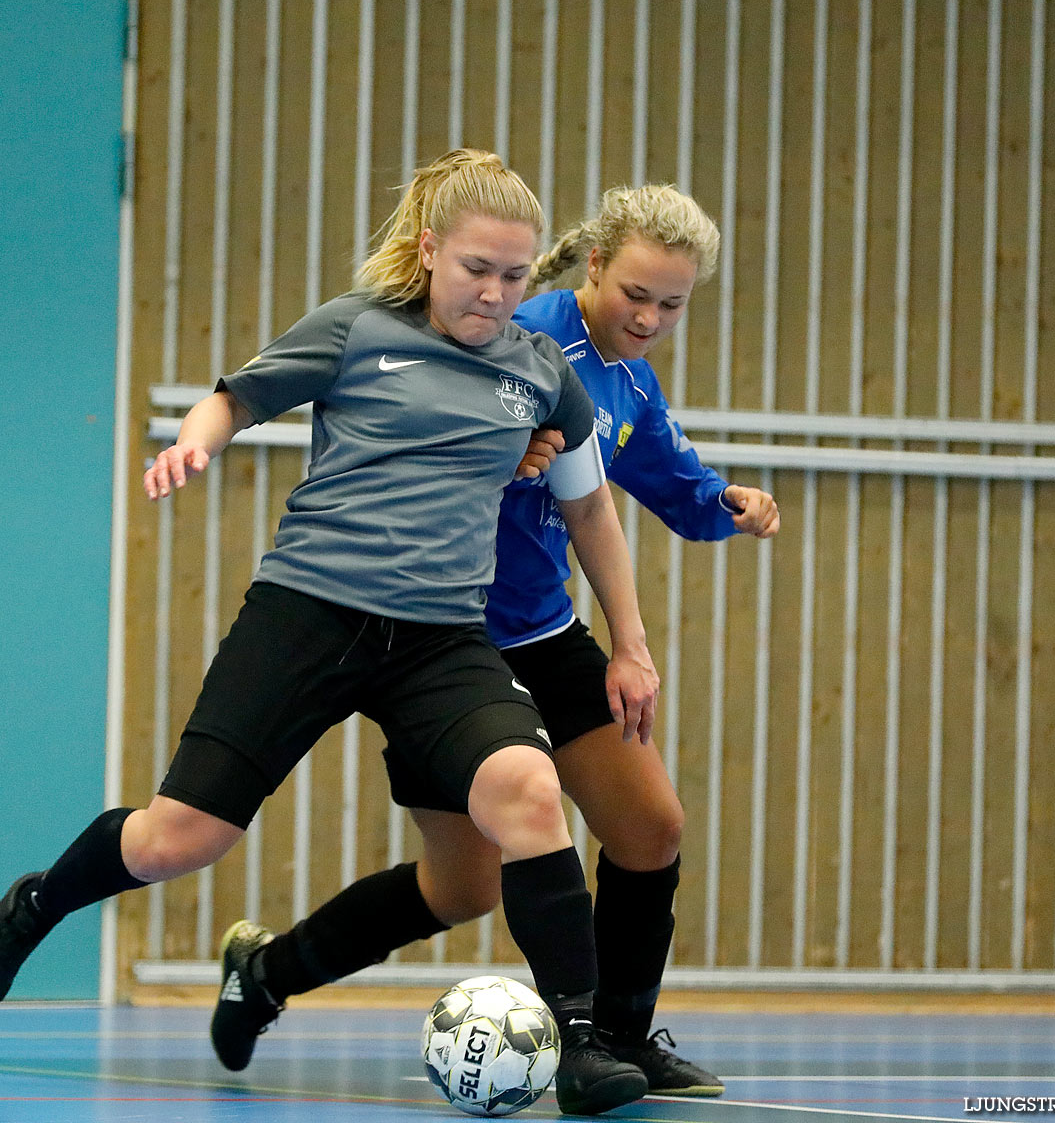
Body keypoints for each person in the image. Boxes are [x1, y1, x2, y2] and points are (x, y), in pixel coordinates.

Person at [0, 150, 667, 1116]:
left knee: (527, 798)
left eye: (513, 276)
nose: (495, 295)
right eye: (475, 271)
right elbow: (235, 397)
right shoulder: (359, 330)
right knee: (178, 841)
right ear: (430, 252)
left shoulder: (541, 374)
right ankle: (36, 905)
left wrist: (629, 640)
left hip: (441, 642)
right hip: (309, 614)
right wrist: (195, 443)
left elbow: (591, 515)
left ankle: (579, 1042)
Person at [209, 184, 780, 1098]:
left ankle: (618, 1041)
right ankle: (266, 976)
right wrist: (509, 462)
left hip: (547, 633)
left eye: (673, 304)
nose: (650, 317)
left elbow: (656, 481)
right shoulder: (519, 333)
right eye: (637, 293)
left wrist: (725, 505)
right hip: (447, 641)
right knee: (462, 887)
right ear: (594, 264)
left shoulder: (629, 377)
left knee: (650, 828)